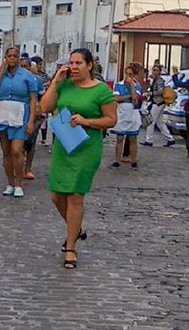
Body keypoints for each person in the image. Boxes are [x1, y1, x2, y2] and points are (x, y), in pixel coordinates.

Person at [39, 48, 117, 270]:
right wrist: (55, 82)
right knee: (56, 196)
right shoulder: (64, 85)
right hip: (64, 145)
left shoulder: (101, 91)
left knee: (75, 195)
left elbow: (111, 120)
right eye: (71, 62)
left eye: (78, 63)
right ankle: (77, 228)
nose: (73, 67)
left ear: (89, 65)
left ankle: (71, 247)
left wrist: (86, 121)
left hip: (87, 146)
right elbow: (45, 107)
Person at [0, 47, 38, 198]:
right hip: (3, 113)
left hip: (20, 113)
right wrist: (1, 73)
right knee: (7, 151)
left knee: (17, 149)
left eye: (15, 56)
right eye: (9, 56)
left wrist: (31, 121)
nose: (12, 59)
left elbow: (33, 99)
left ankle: (19, 183)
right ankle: (10, 182)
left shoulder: (27, 76)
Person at [109, 64, 142, 169]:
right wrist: (128, 97)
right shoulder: (118, 85)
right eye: (126, 74)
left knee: (133, 138)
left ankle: (133, 161)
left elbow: (135, 97)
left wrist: (131, 86)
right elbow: (116, 98)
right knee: (119, 138)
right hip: (122, 112)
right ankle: (117, 160)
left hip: (132, 113)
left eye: (130, 74)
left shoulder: (137, 86)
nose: (127, 76)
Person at [140, 65, 175, 148]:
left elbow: (160, 91)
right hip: (157, 102)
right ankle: (170, 138)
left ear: (159, 72)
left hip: (158, 102)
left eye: (156, 70)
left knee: (151, 121)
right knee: (160, 122)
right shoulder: (155, 80)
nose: (154, 72)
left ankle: (149, 140)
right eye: (153, 70)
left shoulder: (160, 81)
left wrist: (150, 94)